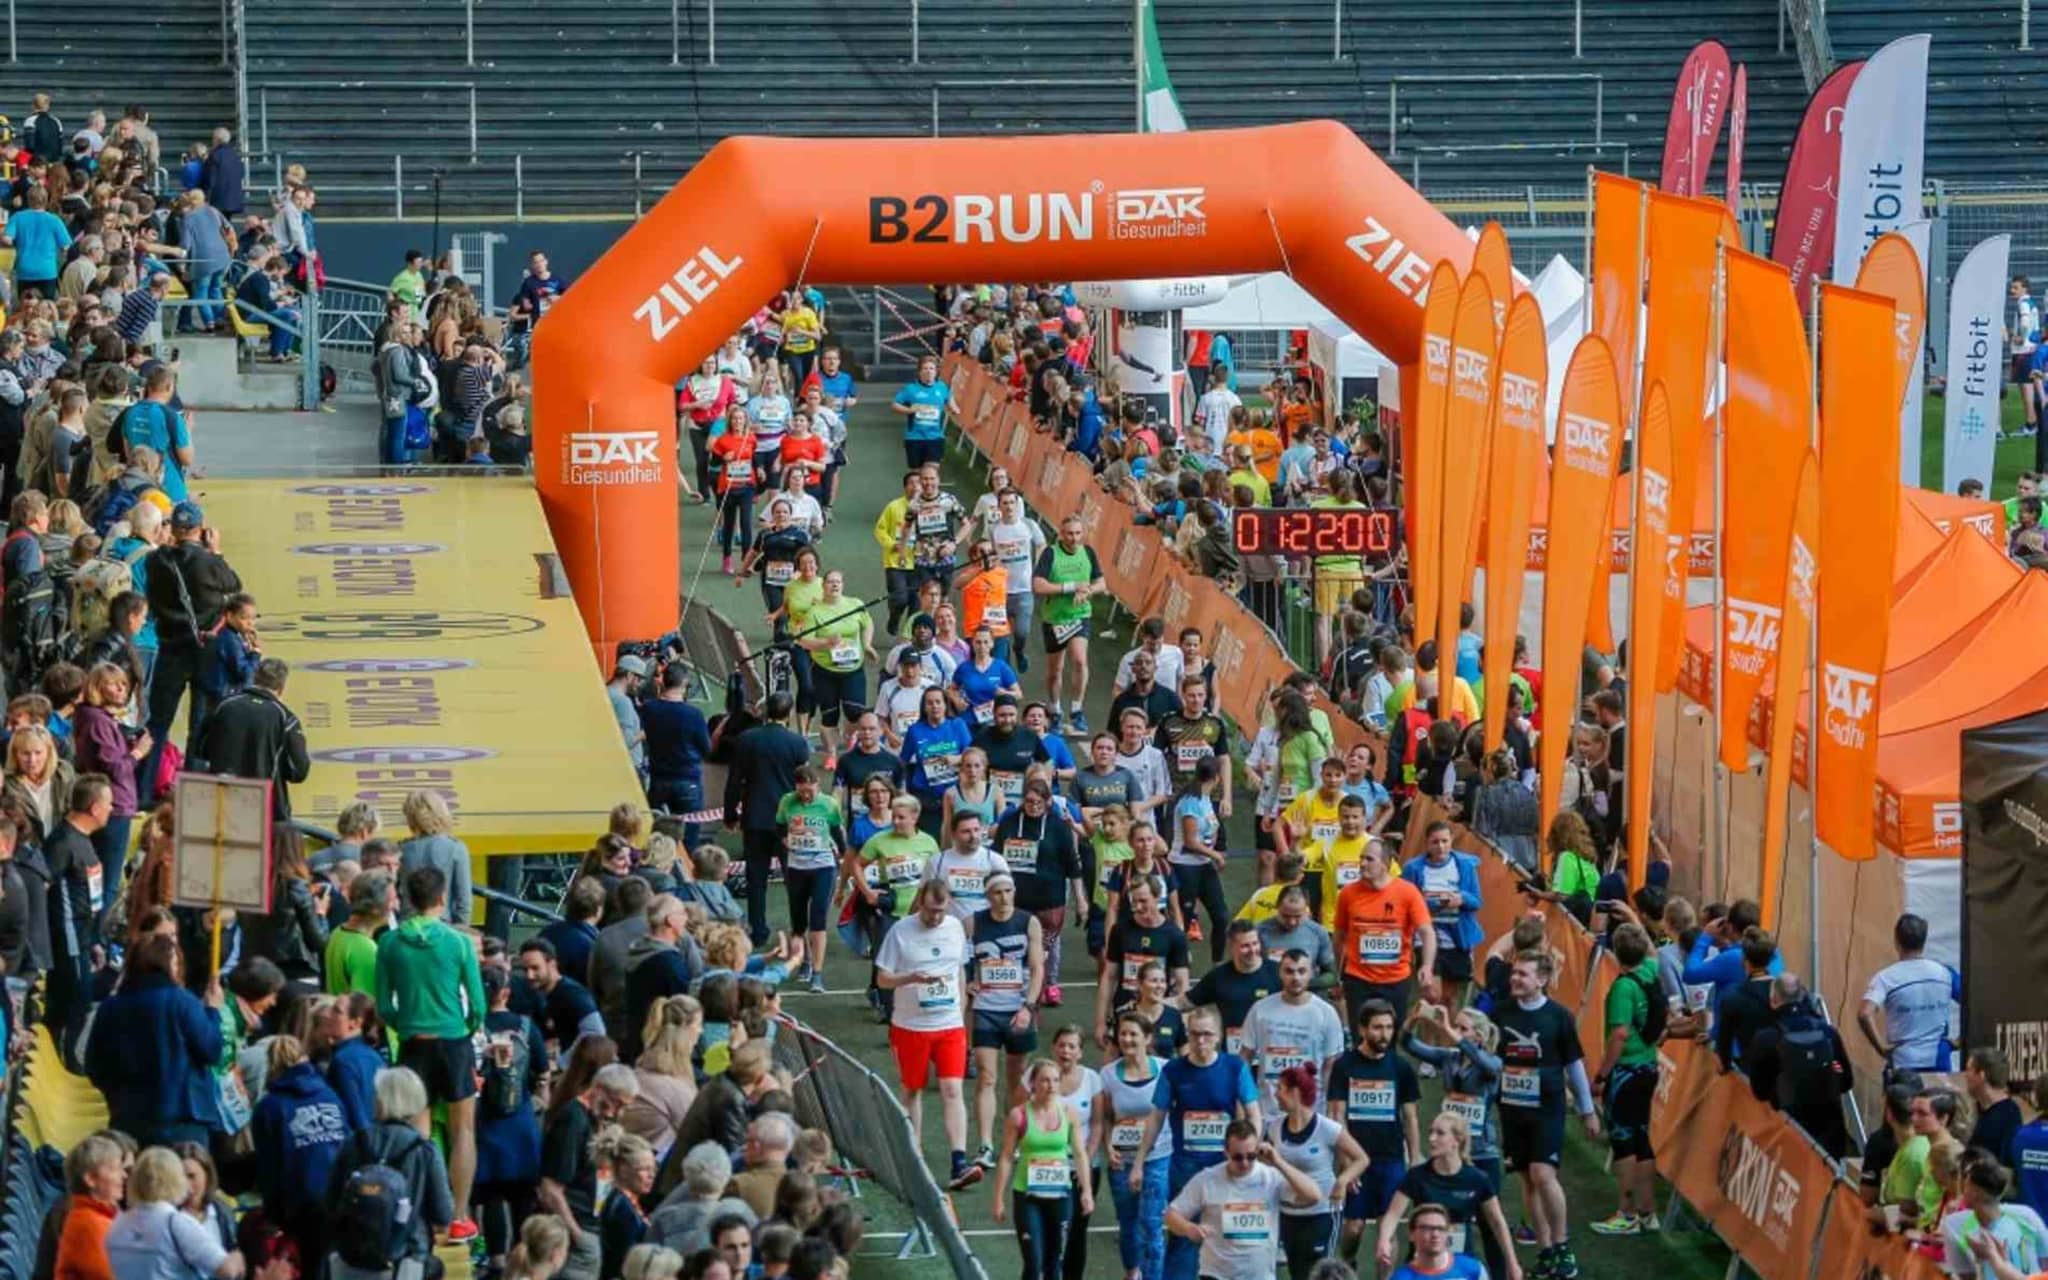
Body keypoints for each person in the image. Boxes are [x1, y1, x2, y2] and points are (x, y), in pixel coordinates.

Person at [374, 866, 485, 1242]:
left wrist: (403, 1021)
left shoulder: (389, 943)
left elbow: (383, 1004)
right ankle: (459, 1215)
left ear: (407, 897)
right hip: (453, 1042)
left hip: (412, 1042)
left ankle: (421, 1212)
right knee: (463, 1131)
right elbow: (479, 1005)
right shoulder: (457, 943)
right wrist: (465, 1027)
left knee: (417, 1134)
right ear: (441, 898)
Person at [1136, 1005, 1259, 1280]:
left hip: (1227, 1169)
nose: (1200, 1041)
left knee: (1229, 1238)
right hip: (1185, 1171)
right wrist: (1140, 1161)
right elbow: (1156, 1118)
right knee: (1182, 1237)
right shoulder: (1173, 1071)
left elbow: (1253, 1113)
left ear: (1218, 1036)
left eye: (1206, 1034)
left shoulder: (1235, 1067)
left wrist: (1250, 1156)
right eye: (1194, 1034)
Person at [1495, 951, 1598, 1280]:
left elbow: (1574, 1065)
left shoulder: (1559, 1017)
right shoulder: (1501, 1014)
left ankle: (1563, 1244)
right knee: (1527, 1178)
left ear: (1542, 980)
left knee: (1543, 1173)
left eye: (1523, 974)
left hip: (1547, 1109)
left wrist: (1587, 1109)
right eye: (1514, 973)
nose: (1515, 979)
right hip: (1511, 1110)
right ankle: (1546, 1250)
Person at [874, 879, 979, 1190]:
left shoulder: (955, 928)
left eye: (941, 911)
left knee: (952, 1089)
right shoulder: (900, 932)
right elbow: (882, 979)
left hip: (949, 1025)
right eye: (931, 911)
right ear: (921, 902)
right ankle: (913, 1157)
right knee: (913, 1089)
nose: (935, 917)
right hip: (911, 1026)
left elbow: (959, 969)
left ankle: (959, 1161)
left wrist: (960, 1011)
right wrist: (910, 977)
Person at [84, 932, 223, 1147]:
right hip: (183, 1119)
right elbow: (211, 1049)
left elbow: (95, 1066)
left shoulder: (111, 1007)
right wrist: (212, 1012)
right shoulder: (183, 1002)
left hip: (129, 1119)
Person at [323, 1067, 455, 1269]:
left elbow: (331, 1201)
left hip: (353, 1255)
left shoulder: (355, 1142)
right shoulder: (424, 1150)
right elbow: (443, 1213)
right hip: (407, 1257)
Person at [1162, 1120, 1323, 1280]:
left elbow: (1314, 1195)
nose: (1245, 1163)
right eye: (1237, 1157)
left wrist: (1279, 1162)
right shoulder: (1207, 1179)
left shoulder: (1270, 1177)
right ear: (1226, 1152)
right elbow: (1171, 1215)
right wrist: (1188, 1228)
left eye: (1251, 1156)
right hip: (1217, 1275)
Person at [1589, 923, 1664, 1235]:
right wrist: (1633, 920)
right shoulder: (1650, 970)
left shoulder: (1623, 987)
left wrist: (1602, 1075)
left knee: (1623, 1142)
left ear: (1616, 952)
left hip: (1626, 1071)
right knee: (1642, 1138)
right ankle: (1648, 1212)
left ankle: (1626, 1212)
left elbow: (1619, 1034)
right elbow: (1653, 951)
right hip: (1649, 1066)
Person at [992, 1057, 1096, 1280]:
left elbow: (1079, 1153)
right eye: (1045, 1081)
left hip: (1061, 1195)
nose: (1051, 1086)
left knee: (1055, 1262)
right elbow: (1007, 1157)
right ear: (1033, 1084)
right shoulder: (1018, 1115)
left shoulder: (1068, 1114)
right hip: (1028, 1196)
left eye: (1055, 1081)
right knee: (1033, 1262)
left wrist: (1086, 1191)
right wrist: (998, 1197)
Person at [968, 871, 1045, 1167]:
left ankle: (1012, 1137)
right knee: (987, 1077)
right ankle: (986, 1144)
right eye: (997, 892)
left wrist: (1028, 1006)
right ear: (988, 896)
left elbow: (1037, 967)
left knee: (1017, 1077)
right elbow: (957, 957)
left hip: (1017, 1010)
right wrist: (965, 982)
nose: (1004, 897)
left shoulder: (1029, 922)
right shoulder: (973, 922)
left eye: (1008, 891)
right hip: (986, 1009)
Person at [723, 691, 811, 946]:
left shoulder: (747, 739)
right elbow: (804, 785)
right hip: (789, 822)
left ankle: (758, 931)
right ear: (790, 713)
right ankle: (798, 930)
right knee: (794, 876)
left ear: (765, 711)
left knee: (756, 878)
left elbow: (735, 780)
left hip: (755, 818)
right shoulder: (797, 743)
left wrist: (731, 814)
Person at [540, 1060, 641, 1280]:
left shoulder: (595, 1120)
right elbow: (550, 1188)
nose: (617, 1113)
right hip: (576, 1229)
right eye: (616, 1104)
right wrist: (576, 1234)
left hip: (591, 1224)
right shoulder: (573, 1120)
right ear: (599, 1090)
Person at [251, 1035, 351, 1256]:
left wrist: (273, 1215)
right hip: (339, 1193)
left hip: (301, 1200)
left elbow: (269, 1167)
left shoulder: (269, 1108)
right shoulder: (329, 1095)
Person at [1265, 1064, 1366, 1280]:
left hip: (1322, 1214)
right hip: (1289, 1214)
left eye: (1280, 1089)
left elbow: (1362, 1158)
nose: (1275, 1095)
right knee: (1298, 1274)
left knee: (1322, 1274)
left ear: (1295, 1092)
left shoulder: (1327, 1128)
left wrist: (1342, 1181)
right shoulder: (1274, 1128)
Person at [1743, 972, 1854, 1160]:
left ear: (1773, 1000)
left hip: (1787, 1132)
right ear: (1802, 996)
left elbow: (1759, 1091)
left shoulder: (1765, 1039)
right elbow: (1846, 1083)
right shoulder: (1827, 1032)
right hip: (1829, 1132)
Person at [1100, 1009, 1172, 1280]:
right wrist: (1109, 1148)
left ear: (1147, 1038)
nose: (1127, 1039)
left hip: (1157, 1158)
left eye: (1133, 1034)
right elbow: (1105, 1117)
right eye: (1123, 1034)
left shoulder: (1165, 1070)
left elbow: (1168, 1112)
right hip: (1121, 1161)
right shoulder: (1107, 1074)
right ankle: (1132, 1272)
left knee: (1152, 1225)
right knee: (1128, 1225)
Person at [104, 1147, 246, 1280]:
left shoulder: (117, 1223)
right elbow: (228, 1270)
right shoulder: (175, 1222)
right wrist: (242, 1253)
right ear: (175, 1180)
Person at [1334, 839, 1435, 1024]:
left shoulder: (1408, 893)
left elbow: (1427, 932)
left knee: (1390, 1037)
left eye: (1369, 859)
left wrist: (1427, 966)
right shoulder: (1347, 894)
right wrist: (1339, 974)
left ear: (1385, 864)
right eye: (1361, 858)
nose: (1362, 863)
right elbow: (1339, 936)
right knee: (1361, 1037)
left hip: (1395, 979)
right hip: (1358, 979)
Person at [1243, 949, 1346, 1118]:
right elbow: (1244, 1058)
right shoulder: (1260, 1010)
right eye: (1289, 971)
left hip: (1312, 1114)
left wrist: (1329, 1113)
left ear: (1311, 973)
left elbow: (1330, 1066)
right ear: (1280, 973)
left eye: (1302, 971)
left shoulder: (1326, 1013)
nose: (1296, 978)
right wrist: (1249, 1101)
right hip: (1268, 1114)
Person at [1859, 911, 1962, 1074]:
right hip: (1939, 1058)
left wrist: (1881, 1048)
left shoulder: (1886, 978)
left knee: (1901, 1099)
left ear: (1896, 941)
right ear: (1924, 941)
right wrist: (1959, 1042)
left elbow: (1865, 1014)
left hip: (1903, 1059)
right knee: (1939, 1099)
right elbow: (1975, 1002)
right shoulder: (1945, 973)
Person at [1033, 514, 1104, 737]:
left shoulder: (1088, 552)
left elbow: (1101, 583)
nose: (1073, 538)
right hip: (1055, 619)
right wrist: (1071, 587)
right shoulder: (1050, 554)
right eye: (1069, 534)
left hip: (1079, 616)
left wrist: (1088, 591)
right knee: (1056, 670)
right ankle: (1054, 709)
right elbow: (1038, 586)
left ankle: (1076, 709)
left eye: (1077, 533)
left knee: (1080, 660)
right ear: (1061, 535)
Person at [774, 765, 843, 993]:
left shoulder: (829, 804)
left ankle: (817, 972)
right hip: (796, 866)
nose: (805, 796)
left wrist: (842, 855)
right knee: (798, 919)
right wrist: (784, 839)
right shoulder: (787, 802)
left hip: (823, 866)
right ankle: (803, 959)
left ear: (818, 786)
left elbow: (836, 831)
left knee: (819, 916)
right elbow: (778, 826)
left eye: (810, 792)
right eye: (801, 792)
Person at [1401, 823, 1482, 1011]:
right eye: (1435, 842)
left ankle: (1446, 1037)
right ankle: (1425, 1033)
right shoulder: (1413, 868)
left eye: (1445, 841)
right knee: (1432, 994)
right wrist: (1429, 902)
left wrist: (1460, 898)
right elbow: (1404, 901)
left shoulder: (1464, 865)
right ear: (1427, 844)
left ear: (1451, 841)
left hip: (1457, 937)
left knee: (1448, 999)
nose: (1441, 847)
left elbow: (1477, 901)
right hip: (1427, 936)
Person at [1186, 921, 1280, 1061]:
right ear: (1232, 946)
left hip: (1272, 1058)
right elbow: (1185, 1001)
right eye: (1245, 946)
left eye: (1255, 943)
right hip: (1234, 1059)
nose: (1252, 950)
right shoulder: (1218, 976)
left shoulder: (1277, 972)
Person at [55, 1132, 128, 1280]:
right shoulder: (88, 1224)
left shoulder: (100, 1217)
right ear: (90, 1179)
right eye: (115, 1169)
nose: (124, 1176)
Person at [1384, 1202, 1489, 1280]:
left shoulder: (1473, 1270)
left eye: (1440, 1228)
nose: (1435, 1234)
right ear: (1411, 1234)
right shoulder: (1401, 1278)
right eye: (1427, 1228)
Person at [891, 353, 959, 469]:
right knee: (917, 475)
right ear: (919, 371)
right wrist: (909, 410)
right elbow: (895, 405)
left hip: (935, 437)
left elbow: (949, 398)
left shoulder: (941, 387)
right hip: (914, 437)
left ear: (936, 371)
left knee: (931, 471)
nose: (929, 371)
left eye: (931, 368)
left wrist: (954, 407)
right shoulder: (911, 389)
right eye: (925, 368)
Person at [1965, 1047, 2024, 1168]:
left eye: (1968, 1070)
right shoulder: (1978, 1108)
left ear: (1981, 1075)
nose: (1964, 1076)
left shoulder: (2007, 1116)